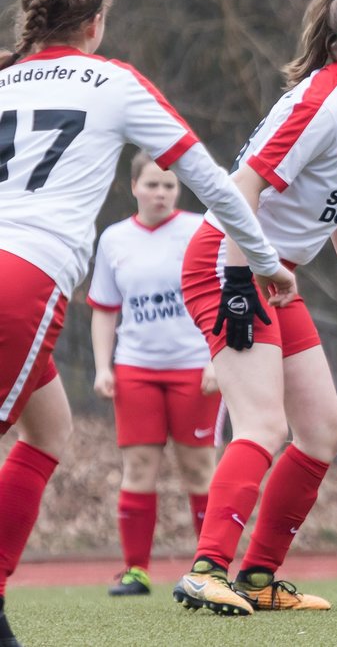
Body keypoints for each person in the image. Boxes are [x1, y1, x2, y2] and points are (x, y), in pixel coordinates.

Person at [0, 0, 293, 647]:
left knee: (50, 429)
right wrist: (267, 262)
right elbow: (215, 182)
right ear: (95, 24)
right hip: (23, 277)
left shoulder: (4, 79)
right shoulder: (114, 81)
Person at [172, 0, 337, 617]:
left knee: (323, 431)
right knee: (264, 424)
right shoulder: (322, 104)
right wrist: (236, 280)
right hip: (229, 266)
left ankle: (256, 577)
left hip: (271, 275)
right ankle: (206, 569)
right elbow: (239, 188)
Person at [87, 150, 220, 597]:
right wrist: (103, 367)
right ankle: (136, 571)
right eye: (152, 184)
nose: (161, 192)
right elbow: (105, 309)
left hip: (194, 369)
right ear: (134, 186)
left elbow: (220, 300)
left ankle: (209, 570)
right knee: (139, 467)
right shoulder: (114, 239)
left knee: (199, 469)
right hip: (136, 369)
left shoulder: (199, 229)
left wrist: (215, 361)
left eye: (169, 185)